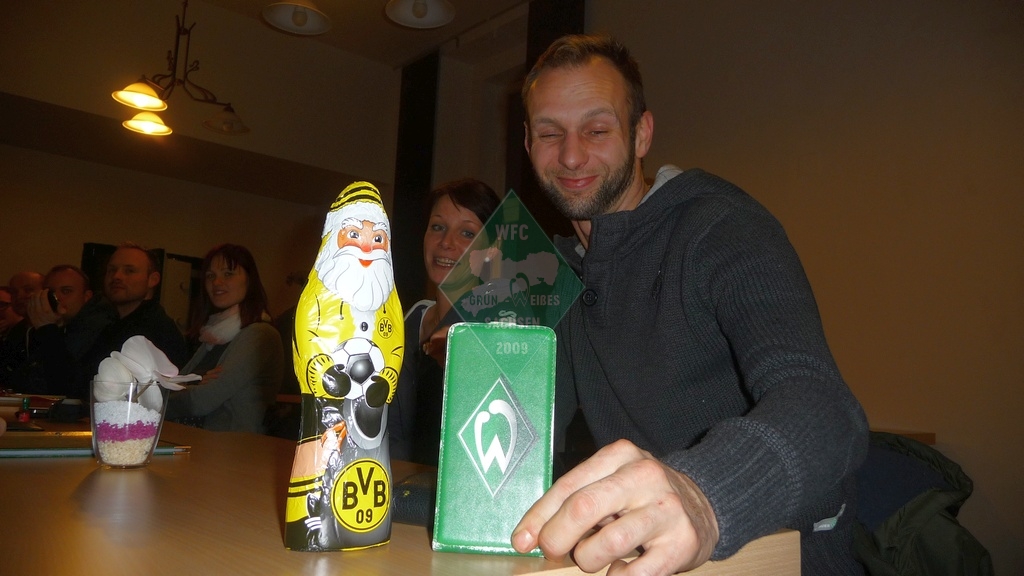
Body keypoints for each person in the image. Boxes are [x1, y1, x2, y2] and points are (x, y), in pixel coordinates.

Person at [509, 34, 869, 576]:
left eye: (597, 130)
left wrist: (703, 498)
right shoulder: (550, 274)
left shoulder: (722, 227)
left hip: (780, 555)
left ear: (642, 134)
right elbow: (521, 438)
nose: (572, 154)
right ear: (528, 143)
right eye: (549, 133)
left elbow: (827, 410)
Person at [387, 178, 501, 466]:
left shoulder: (495, 333)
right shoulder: (411, 320)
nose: (446, 242)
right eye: (437, 227)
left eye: (467, 233)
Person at [165, 244, 283, 433]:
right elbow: (174, 387)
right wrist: (192, 385)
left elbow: (201, 401)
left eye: (228, 274)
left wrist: (158, 400)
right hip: (192, 439)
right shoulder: (213, 334)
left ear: (249, 280)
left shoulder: (260, 334)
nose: (217, 282)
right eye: (210, 276)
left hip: (230, 446)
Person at [76, 243, 187, 399]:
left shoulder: (159, 330)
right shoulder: (108, 325)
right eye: (111, 270)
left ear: (153, 279)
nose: (117, 276)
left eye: (129, 271)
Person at [9, 265, 116, 395]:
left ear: (86, 296)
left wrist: (47, 329)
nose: (57, 297)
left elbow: (64, 383)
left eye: (66, 291)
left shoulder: (96, 327)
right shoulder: (56, 325)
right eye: (50, 292)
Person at [0, 272, 43, 387]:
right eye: (14, 292)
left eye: (28, 290)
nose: (19, 297)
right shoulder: (16, 332)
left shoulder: (56, 329)